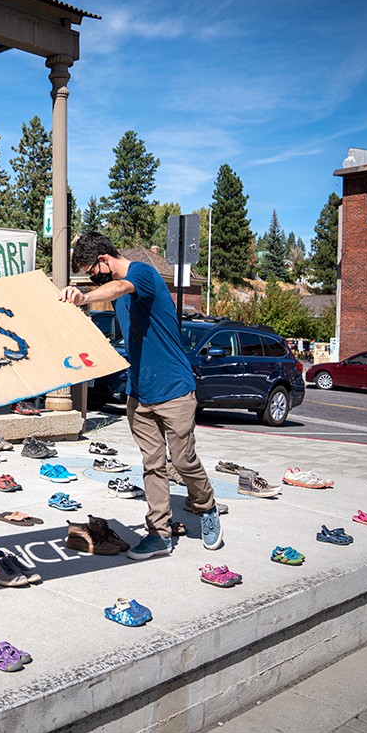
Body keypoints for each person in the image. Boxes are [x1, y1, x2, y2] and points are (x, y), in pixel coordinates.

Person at [58, 232, 222, 559]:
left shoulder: (142, 273)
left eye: (91, 270)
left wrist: (84, 298)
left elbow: (119, 287)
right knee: (153, 464)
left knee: (184, 460)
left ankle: (206, 504)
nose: (91, 278)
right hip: (139, 395)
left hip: (174, 389)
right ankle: (159, 533)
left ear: (104, 260)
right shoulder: (115, 294)